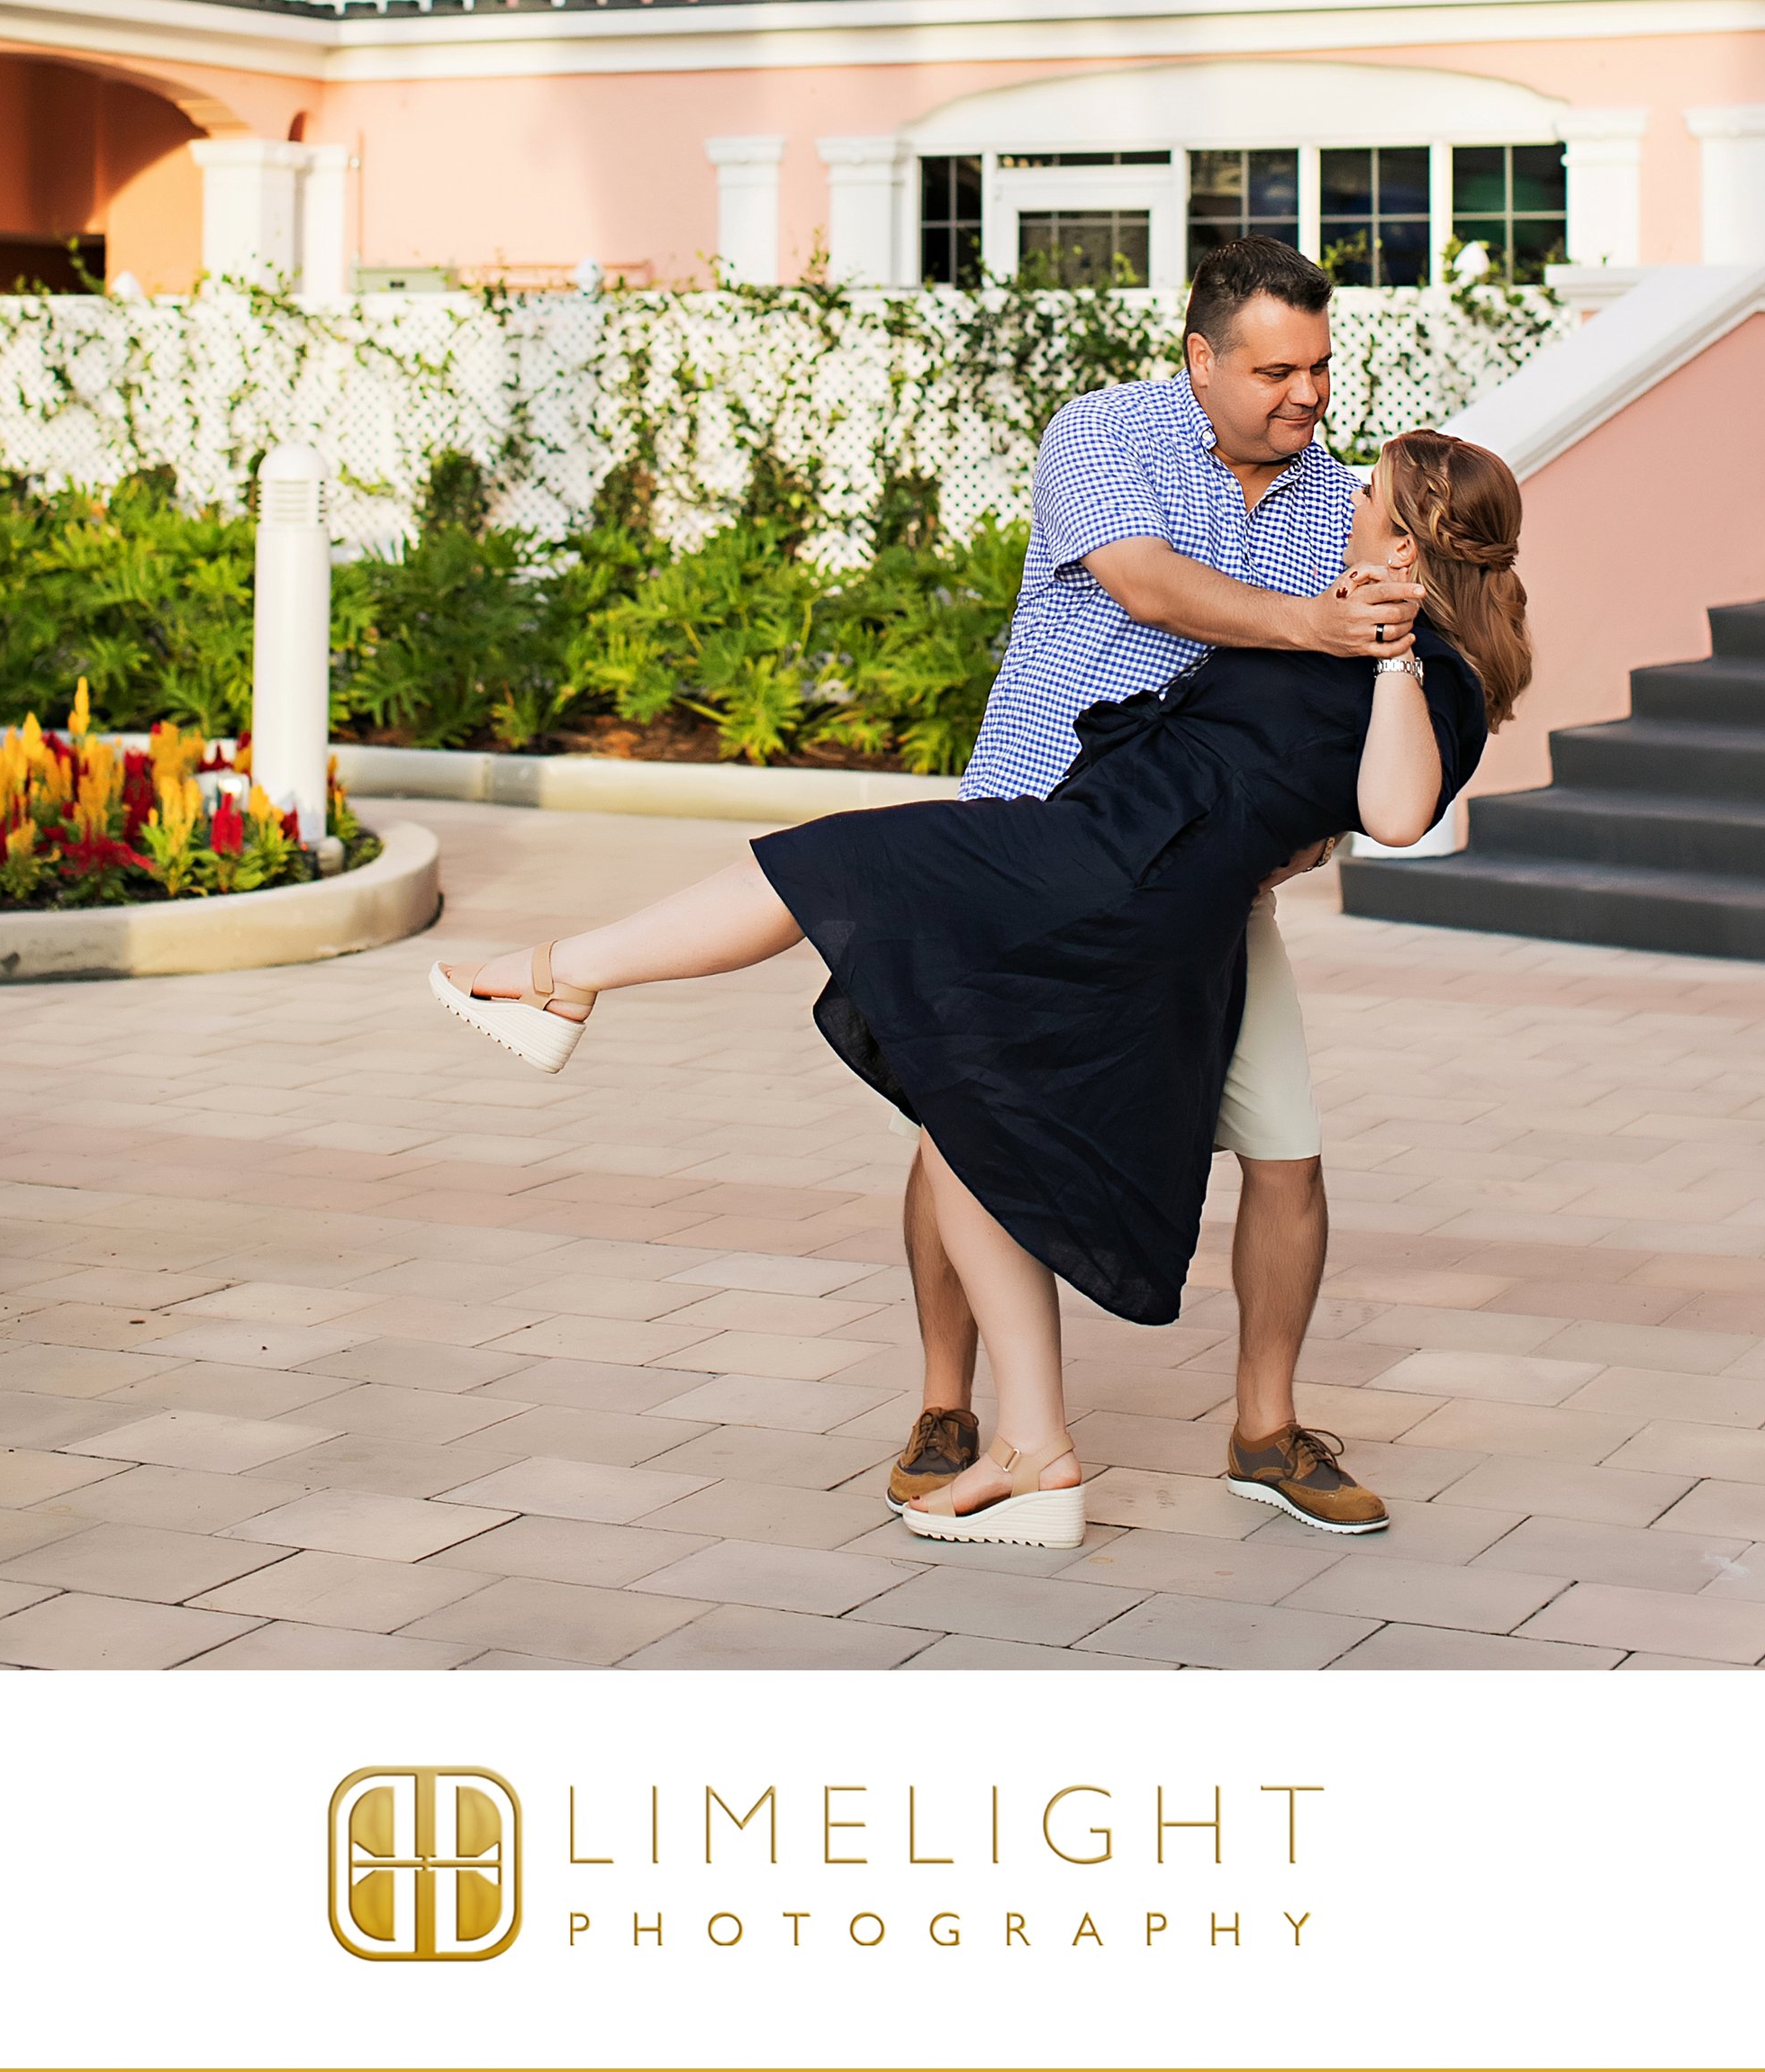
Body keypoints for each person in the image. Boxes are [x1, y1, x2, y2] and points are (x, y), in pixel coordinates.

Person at [429, 430, 1530, 1552]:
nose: (1345, 501)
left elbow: (1395, 813)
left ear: (1405, 543)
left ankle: (557, 978)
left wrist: (1393, 654)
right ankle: (1035, 1450)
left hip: (1118, 880)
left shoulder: (1432, 678)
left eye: (1368, 495)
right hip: (1093, 849)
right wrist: (1336, 629)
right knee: (962, 1114)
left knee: (833, 865)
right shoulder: (1321, 611)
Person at [897, 233, 1422, 1540]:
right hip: (1029, 837)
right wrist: (1310, 622)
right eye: (1274, 372)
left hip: (1204, 880)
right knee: (963, 1123)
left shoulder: (1338, 503)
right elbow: (1144, 585)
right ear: (1200, 359)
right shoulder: (1105, 433)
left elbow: (1333, 714)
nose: (1306, 395)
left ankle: (1266, 1432)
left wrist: (1313, 832)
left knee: (1285, 1147)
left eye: (1318, 367)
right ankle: (948, 1404)